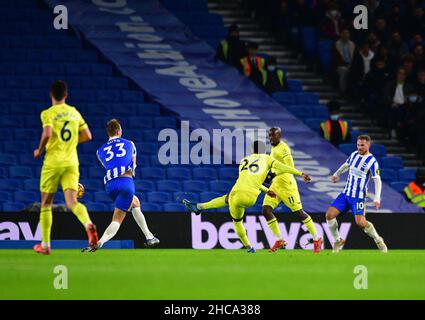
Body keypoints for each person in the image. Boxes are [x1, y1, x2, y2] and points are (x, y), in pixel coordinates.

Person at [183, 140, 311, 253]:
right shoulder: (267, 158)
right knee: (229, 199)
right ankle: (199, 207)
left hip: (237, 193)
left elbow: (247, 179)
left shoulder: (244, 160)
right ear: (263, 150)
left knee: (236, 219)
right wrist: (301, 173)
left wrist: (267, 191)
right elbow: (284, 167)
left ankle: (249, 246)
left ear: (252, 150)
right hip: (250, 197)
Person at [33, 80, 98, 255]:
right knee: (72, 203)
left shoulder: (48, 113)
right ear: (66, 95)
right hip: (71, 162)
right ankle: (88, 225)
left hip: (53, 162)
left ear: (51, 95)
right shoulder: (74, 112)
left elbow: (47, 133)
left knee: (46, 203)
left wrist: (39, 150)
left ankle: (45, 245)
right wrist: (70, 143)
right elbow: (88, 135)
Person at [85, 119, 159, 251]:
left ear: (108, 133)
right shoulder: (130, 144)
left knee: (135, 202)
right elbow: (133, 164)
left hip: (109, 185)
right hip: (125, 182)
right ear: (119, 131)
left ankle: (149, 236)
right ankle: (99, 242)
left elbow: (108, 165)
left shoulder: (100, 151)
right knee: (117, 219)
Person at [262, 127, 322, 253]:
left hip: (287, 185)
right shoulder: (273, 148)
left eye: (273, 136)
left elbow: (290, 167)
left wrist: (300, 174)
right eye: (269, 136)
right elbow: (275, 165)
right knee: (266, 210)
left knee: (299, 213)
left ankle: (317, 238)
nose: (271, 138)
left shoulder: (284, 149)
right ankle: (280, 239)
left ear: (279, 136)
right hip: (276, 184)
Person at [325, 135, 388, 253]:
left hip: (358, 198)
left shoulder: (372, 162)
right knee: (329, 215)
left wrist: (377, 198)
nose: (359, 147)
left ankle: (378, 239)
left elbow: (377, 180)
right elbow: (346, 165)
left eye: (362, 145)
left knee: (360, 223)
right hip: (345, 194)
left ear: (368, 145)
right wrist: (336, 174)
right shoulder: (354, 154)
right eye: (358, 145)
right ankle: (338, 240)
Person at [332, 29, 355, 94]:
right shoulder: (336, 44)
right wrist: (345, 64)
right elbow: (335, 58)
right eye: (344, 33)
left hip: (351, 64)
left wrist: (351, 65)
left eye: (347, 33)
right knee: (343, 70)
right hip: (340, 65)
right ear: (341, 34)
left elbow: (354, 56)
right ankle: (343, 91)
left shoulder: (352, 44)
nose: (345, 35)